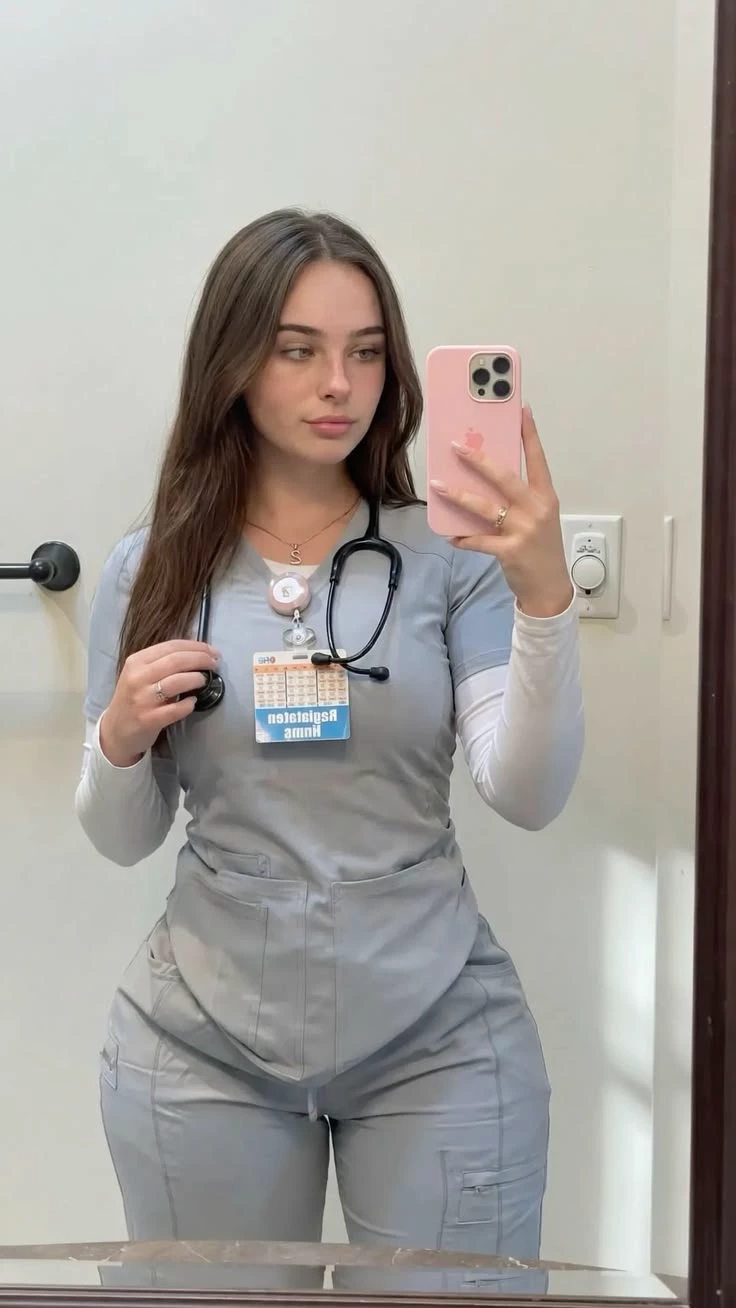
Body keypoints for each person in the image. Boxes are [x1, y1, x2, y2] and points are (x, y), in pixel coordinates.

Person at [76, 208, 583, 1272]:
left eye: (365, 353)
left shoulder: (454, 555)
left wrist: (544, 599)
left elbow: (527, 792)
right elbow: (123, 839)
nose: (338, 386)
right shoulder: (150, 567)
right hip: (202, 1039)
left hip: (437, 1032)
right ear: (232, 362)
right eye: (297, 351)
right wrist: (117, 739)